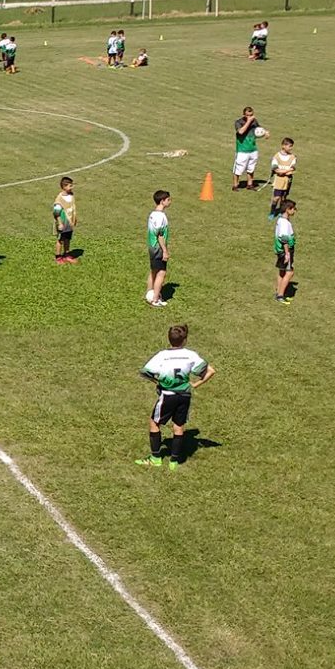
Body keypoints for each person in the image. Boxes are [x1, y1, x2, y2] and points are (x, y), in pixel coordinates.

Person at [137, 323, 213, 471]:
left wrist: (158, 382)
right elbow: (210, 371)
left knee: (154, 423)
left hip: (168, 395)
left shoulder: (162, 355)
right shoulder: (190, 355)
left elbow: (145, 372)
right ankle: (174, 462)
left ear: (169, 339)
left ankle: (155, 458)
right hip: (184, 395)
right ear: (184, 340)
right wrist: (196, 384)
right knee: (178, 426)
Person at [146, 190, 172, 307]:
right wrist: (165, 251)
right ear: (162, 201)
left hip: (151, 246)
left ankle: (149, 293)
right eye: (168, 200)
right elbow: (160, 235)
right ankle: (155, 299)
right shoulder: (161, 217)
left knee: (153, 271)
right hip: (158, 248)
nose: (170, 201)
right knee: (161, 273)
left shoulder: (152, 214)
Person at [233, 106, 262, 191]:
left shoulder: (254, 121)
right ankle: (235, 185)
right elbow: (241, 132)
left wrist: (265, 132)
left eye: (251, 115)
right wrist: (248, 121)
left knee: (251, 168)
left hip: (253, 149)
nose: (250, 117)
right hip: (242, 150)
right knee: (238, 168)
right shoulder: (238, 122)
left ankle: (250, 184)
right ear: (244, 114)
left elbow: (258, 130)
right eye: (248, 115)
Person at [273, 200, 297, 303]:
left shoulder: (281, 220)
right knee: (289, 272)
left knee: (282, 271)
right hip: (285, 251)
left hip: (280, 251)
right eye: (293, 208)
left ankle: (279, 291)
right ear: (287, 210)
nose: (295, 210)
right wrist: (287, 253)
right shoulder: (284, 223)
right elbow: (284, 239)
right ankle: (280, 295)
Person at [268, 137, 297, 216]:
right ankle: (272, 211)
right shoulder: (276, 156)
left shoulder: (293, 157)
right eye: (289, 146)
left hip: (287, 180)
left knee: (283, 198)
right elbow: (276, 169)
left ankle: (281, 211)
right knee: (276, 198)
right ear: (283, 146)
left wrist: (282, 172)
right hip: (278, 180)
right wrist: (286, 171)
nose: (291, 148)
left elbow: (292, 168)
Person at [52, 176, 77, 264]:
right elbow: (56, 213)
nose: (72, 187)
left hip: (69, 222)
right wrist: (60, 223)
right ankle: (58, 257)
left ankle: (66, 254)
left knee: (67, 239)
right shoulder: (59, 199)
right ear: (64, 186)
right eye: (70, 186)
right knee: (61, 240)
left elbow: (73, 208)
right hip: (62, 222)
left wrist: (74, 218)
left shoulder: (71, 195)